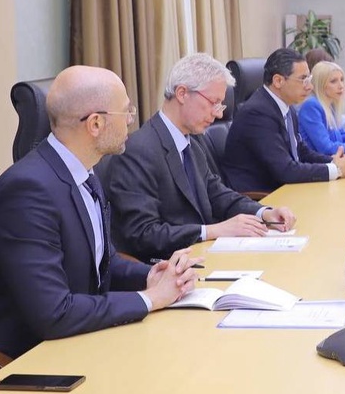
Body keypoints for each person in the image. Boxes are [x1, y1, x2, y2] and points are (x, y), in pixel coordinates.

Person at [0, 66, 198, 360]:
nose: (131, 120)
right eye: (126, 111)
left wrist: (154, 275)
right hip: (38, 358)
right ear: (95, 124)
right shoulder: (28, 190)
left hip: (86, 336)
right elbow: (53, 313)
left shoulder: (85, 172)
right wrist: (149, 299)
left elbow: (103, 263)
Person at [105, 53, 298, 262]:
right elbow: (143, 234)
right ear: (182, 93)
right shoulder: (139, 151)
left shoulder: (193, 142)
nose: (218, 114)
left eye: (220, 105)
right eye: (214, 102)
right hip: (169, 267)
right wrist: (213, 230)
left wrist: (264, 213)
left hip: (204, 255)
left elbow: (217, 194)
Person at [221, 48, 345, 194]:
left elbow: (301, 152)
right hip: (262, 196)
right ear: (278, 81)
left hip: (285, 189)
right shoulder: (258, 113)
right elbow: (285, 170)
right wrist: (336, 170)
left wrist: (333, 160)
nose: (310, 86)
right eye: (303, 79)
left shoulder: (287, 107)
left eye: (309, 79)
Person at [305, 48, 345, 131]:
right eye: (333, 81)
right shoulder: (310, 104)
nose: (341, 86)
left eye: (342, 80)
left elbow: (338, 134)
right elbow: (324, 138)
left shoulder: (329, 102)